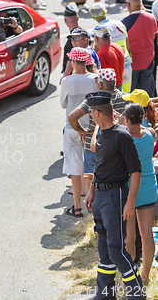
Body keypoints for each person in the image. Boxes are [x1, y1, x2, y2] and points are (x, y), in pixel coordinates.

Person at [84, 91, 145, 300]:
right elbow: (99, 163)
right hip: (100, 196)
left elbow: (136, 171)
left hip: (115, 195)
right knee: (104, 249)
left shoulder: (122, 136)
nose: (90, 115)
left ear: (97, 112)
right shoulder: (101, 132)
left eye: (91, 112)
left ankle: (137, 294)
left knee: (116, 249)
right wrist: (92, 189)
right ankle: (105, 294)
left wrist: (130, 203)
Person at [68, 69, 127, 197]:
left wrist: (80, 130)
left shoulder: (93, 100)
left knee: (91, 176)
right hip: (115, 145)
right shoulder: (124, 97)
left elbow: (72, 117)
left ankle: (93, 204)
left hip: (93, 144)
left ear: (100, 84)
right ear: (115, 83)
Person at [119, 103, 157, 281]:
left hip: (130, 191)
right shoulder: (151, 133)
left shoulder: (124, 137)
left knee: (130, 237)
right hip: (149, 188)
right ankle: (146, 275)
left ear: (126, 118)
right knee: (147, 234)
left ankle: (129, 278)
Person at [60, 47, 98, 217]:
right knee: (91, 166)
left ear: (74, 62)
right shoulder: (95, 79)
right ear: (88, 62)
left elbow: (63, 104)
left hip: (72, 128)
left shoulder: (67, 81)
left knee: (74, 168)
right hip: (90, 128)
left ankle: (76, 207)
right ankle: (93, 207)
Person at [90, 2, 132, 92]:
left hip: (113, 70)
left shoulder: (97, 30)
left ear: (93, 17)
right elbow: (127, 45)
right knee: (126, 97)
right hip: (126, 63)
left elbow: (96, 52)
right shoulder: (119, 24)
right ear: (105, 12)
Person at [122, 0, 158, 97]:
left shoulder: (125, 22)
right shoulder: (151, 18)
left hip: (133, 62)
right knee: (148, 93)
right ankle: (151, 112)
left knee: (133, 94)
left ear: (128, 5)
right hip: (148, 61)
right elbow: (155, 36)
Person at [93, 26, 125, 91]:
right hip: (119, 85)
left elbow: (98, 76)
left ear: (96, 39)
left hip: (108, 89)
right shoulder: (118, 47)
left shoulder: (101, 54)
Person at [61, 5, 79, 75]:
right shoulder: (84, 35)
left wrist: (65, 75)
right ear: (78, 18)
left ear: (65, 21)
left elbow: (71, 59)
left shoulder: (71, 40)